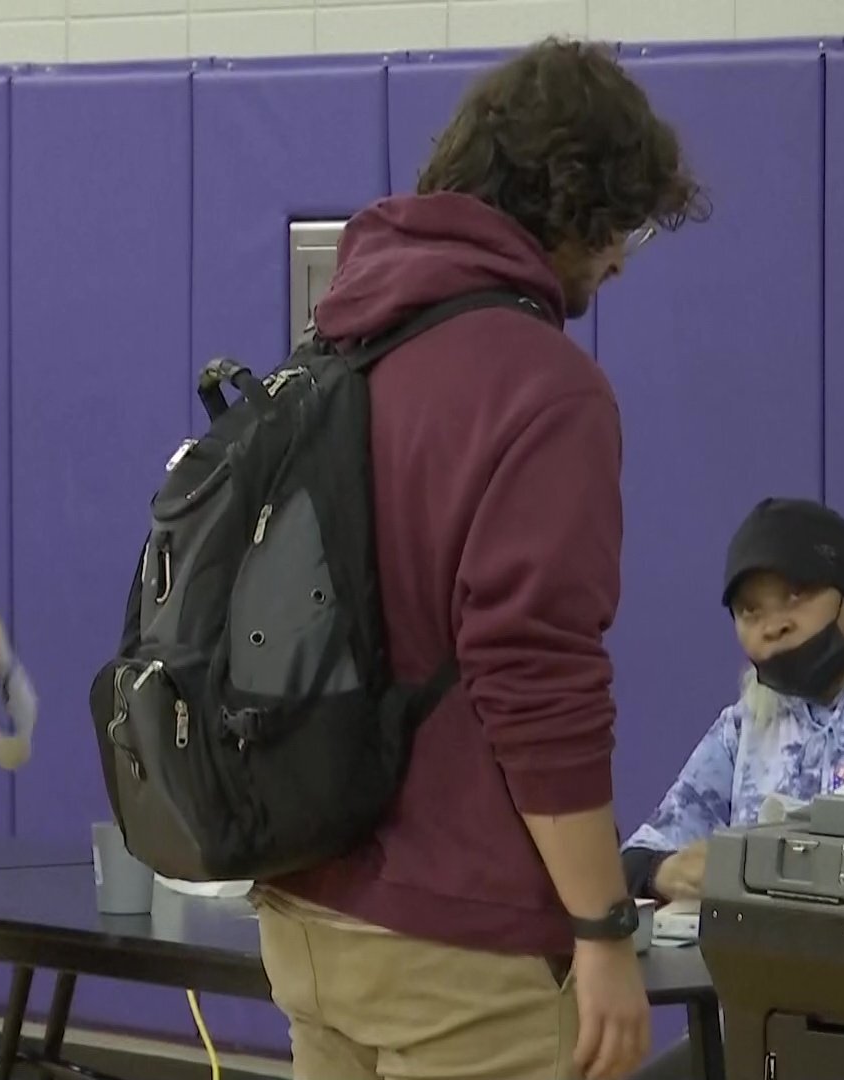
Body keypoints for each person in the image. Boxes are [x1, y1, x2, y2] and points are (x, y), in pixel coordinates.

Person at [248, 36, 707, 1080]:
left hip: (308, 907)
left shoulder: (342, 341)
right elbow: (533, 671)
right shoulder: (545, 387)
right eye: (621, 225)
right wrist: (603, 929)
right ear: (574, 202)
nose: (621, 260)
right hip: (461, 947)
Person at [622, 497, 844, 905]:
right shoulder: (746, 727)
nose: (774, 626)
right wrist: (666, 872)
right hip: (769, 942)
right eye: (750, 611)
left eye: (796, 596)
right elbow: (638, 858)